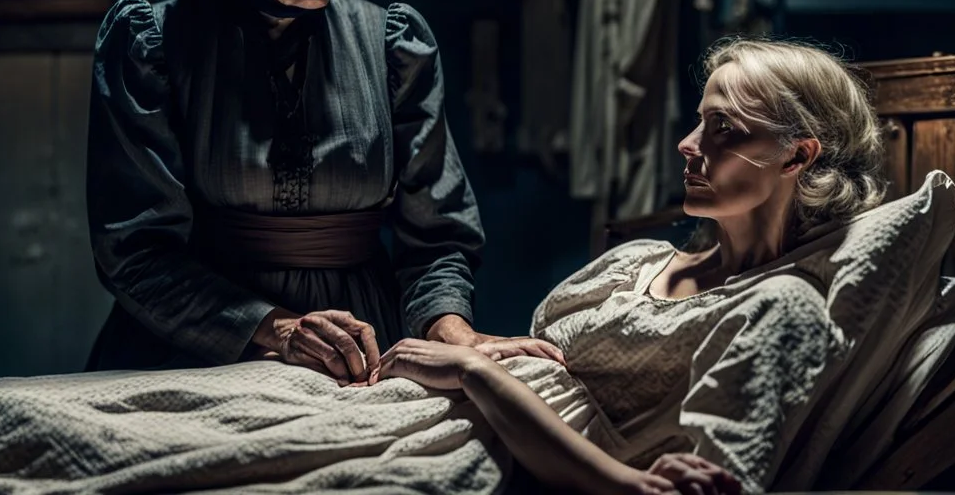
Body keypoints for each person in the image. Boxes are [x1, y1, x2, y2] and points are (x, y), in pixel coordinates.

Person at [84, 0, 558, 383]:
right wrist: (278, 328)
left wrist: (455, 334)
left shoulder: (393, 46)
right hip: (198, 342)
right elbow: (136, 252)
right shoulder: (155, 47)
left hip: (358, 347)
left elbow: (435, 239)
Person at [371, 38, 889, 494]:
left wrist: (472, 369)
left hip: (499, 465)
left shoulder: (781, 307)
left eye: (721, 126)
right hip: (434, 422)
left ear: (796, 157)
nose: (687, 144)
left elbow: (705, 477)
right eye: (698, 120)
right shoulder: (634, 261)